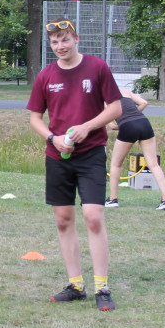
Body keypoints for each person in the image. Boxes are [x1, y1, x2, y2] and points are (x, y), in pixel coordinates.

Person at [27, 18, 123, 311]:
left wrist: (86, 127)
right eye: (55, 42)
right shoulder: (46, 76)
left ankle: (102, 287)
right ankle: (76, 285)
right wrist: (53, 137)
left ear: (76, 39)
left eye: (65, 40)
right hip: (58, 157)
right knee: (63, 219)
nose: (60, 46)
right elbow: (34, 118)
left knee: (93, 217)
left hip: (91, 153)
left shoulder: (96, 68)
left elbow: (116, 108)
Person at [106, 90, 165, 211]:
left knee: (116, 164)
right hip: (144, 122)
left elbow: (111, 126)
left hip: (127, 125)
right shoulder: (125, 92)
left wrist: (124, 122)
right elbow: (144, 102)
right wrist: (135, 115)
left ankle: (112, 199)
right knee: (153, 164)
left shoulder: (105, 99)